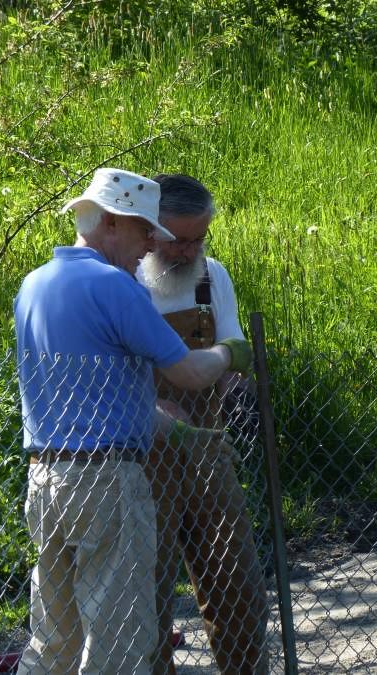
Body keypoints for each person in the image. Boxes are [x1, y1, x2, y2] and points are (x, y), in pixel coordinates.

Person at [14, 168, 254, 674]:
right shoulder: (119, 287)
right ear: (112, 223)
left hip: (49, 474)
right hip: (116, 476)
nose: (154, 244)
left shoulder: (34, 284)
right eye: (149, 231)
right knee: (121, 637)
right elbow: (187, 372)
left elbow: (88, 385)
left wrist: (182, 426)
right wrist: (230, 355)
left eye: (190, 239)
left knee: (54, 641)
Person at [137, 174, 269, 674]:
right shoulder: (124, 283)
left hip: (208, 448)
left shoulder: (213, 277)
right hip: (143, 456)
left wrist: (226, 372)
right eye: (179, 239)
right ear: (150, 231)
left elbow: (236, 349)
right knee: (147, 592)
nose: (188, 251)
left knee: (238, 581)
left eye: (198, 238)